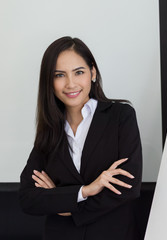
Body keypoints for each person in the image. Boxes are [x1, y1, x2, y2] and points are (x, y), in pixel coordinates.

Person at [19, 36, 143, 240]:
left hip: (114, 234)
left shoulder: (121, 116)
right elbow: (28, 198)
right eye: (59, 75)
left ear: (92, 72)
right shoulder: (50, 129)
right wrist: (85, 191)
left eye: (79, 72)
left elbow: (127, 188)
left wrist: (65, 204)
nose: (70, 84)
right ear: (49, 82)